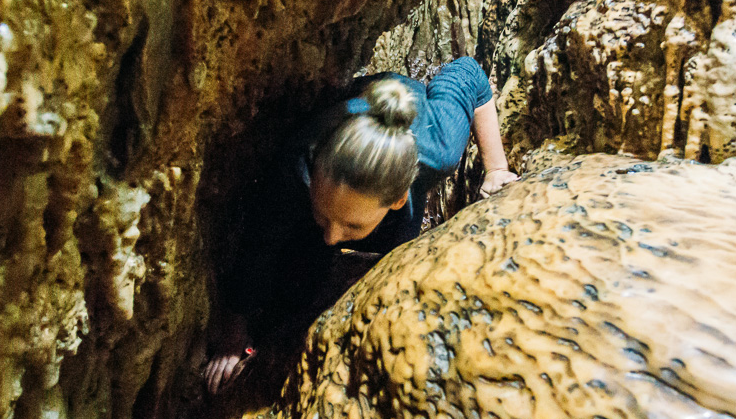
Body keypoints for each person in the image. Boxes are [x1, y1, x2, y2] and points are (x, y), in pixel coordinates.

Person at [205, 57, 519, 393]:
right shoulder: (296, 169)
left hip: (399, 107)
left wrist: (496, 168)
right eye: (323, 216)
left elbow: (468, 74)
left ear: (399, 199)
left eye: (352, 226)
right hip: (342, 128)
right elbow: (260, 244)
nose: (332, 237)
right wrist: (233, 329)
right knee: (295, 289)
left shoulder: (438, 145)